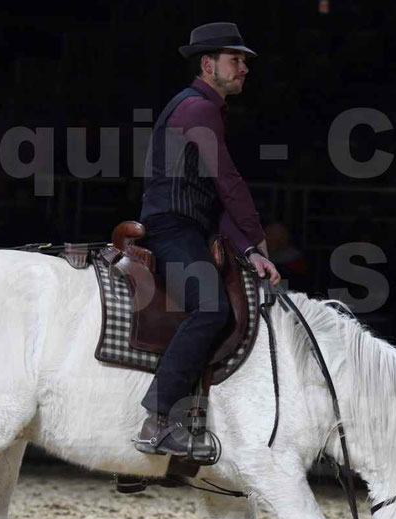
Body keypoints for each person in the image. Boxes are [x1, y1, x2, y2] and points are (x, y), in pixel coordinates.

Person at [134, 22, 280, 460]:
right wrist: (258, 238)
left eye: (245, 62)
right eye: (236, 60)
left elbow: (217, 196)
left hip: (190, 226)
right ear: (207, 64)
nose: (244, 69)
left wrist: (249, 249)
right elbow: (228, 182)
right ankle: (157, 420)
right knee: (212, 308)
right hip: (171, 228)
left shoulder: (203, 108)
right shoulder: (197, 108)